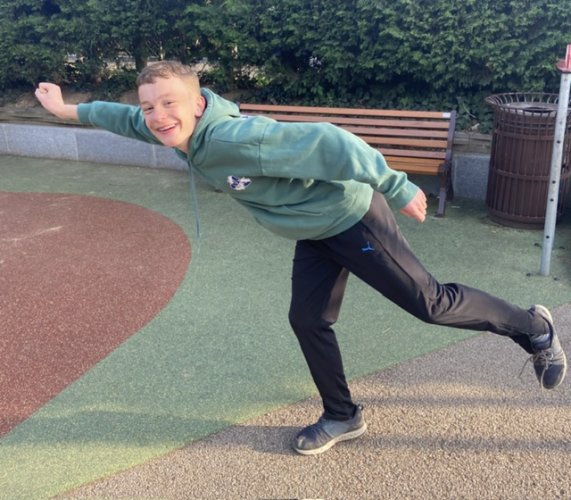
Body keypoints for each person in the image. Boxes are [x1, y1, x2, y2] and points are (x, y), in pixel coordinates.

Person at [35, 60, 567, 456]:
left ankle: (534, 327)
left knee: (430, 304)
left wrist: (396, 184)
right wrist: (64, 109)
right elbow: (123, 117)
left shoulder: (234, 138)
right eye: (150, 106)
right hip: (314, 230)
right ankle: (342, 415)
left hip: (352, 217)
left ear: (197, 104)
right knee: (308, 319)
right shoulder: (176, 131)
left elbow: (331, 142)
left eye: (168, 104)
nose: (157, 116)